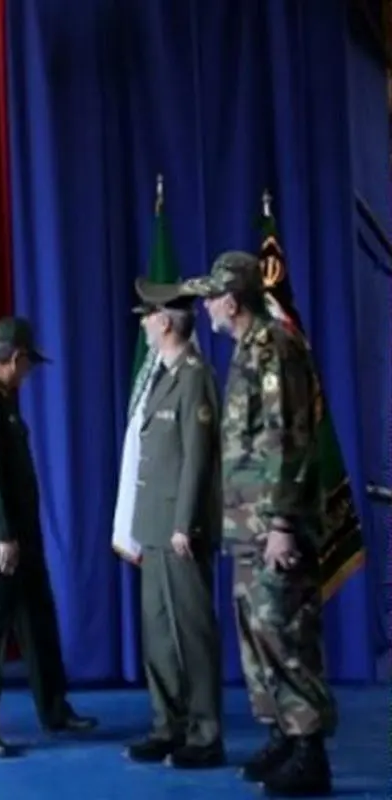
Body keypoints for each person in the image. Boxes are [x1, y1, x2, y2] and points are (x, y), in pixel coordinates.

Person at [177, 251, 337, 797]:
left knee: (285, 632)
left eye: (210, 298)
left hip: (273, 525)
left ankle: (309, 748)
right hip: (247, 525)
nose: (204, 307)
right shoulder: (248, 349)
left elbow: (286, 437)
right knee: (258, 635)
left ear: (231, 301)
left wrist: (284, 521)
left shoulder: (275, 348)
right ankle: (283, 734)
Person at [0, 316, 97, 758]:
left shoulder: (4, 400)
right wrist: (3, 535)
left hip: (22, 538)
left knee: (39, 623)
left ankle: (54, 709)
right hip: (1, 541)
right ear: (15, 359)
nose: (30, 372)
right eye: (28, 363)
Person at [124, 283, 224, 769]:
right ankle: (169, 725)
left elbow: (198, 457)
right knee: (159, 630)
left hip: (180, 527)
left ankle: (205, 733)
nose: (143, 323)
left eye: (148, 315)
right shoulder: (161, 376)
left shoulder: (193, 377)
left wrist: (185, 522)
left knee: (192, 631)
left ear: (165, 322)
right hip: (154, 522)